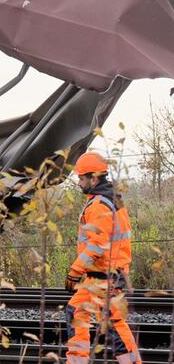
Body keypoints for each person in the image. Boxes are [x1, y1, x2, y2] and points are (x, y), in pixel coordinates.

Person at [64, 152, 140, 364]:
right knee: (76, 311)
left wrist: (75, 270)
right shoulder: (110, 198)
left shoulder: (99, 204)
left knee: (114, 324)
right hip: (99, 275)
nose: (79, 183)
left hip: (105, 276)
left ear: (94, 178)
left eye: (81, 178)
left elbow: (98, 244)